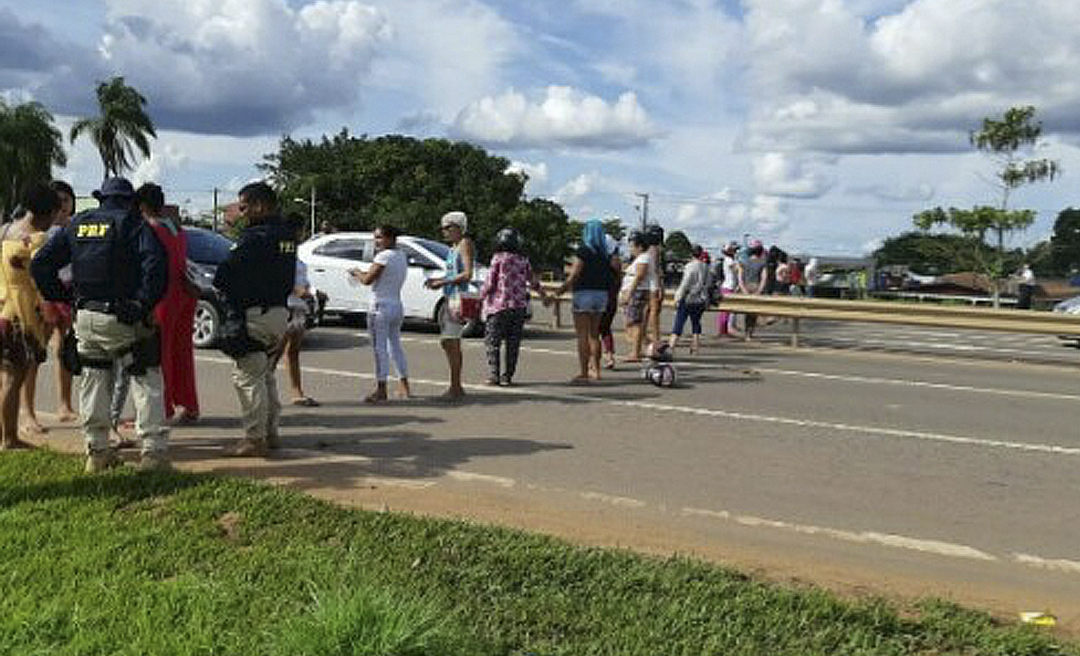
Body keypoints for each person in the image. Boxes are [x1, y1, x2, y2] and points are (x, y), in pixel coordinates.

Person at [31, 177, 169, 472]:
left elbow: (40, 263)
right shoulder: (133, 223)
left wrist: (64, 296)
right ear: (129, 200)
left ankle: (97, 451)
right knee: (146, 379)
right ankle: (153, 454)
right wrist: (142, 304)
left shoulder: (77, 224)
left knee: (94, 380)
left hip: (87, 317)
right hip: (125, 317)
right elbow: (156, 266)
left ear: (100, 198)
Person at [212, 182, 297, 456]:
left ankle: (255, 439)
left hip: (253, 315)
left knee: (248, 377)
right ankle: (271, 433)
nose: (242, 213)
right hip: (278, 314)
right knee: (265, 376)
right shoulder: (286, 235)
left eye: (245, 207)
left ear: (260, 205)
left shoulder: (254, 237)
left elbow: (224, 275)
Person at [1, 183, 58, 450]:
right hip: (22, 315)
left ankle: (6, 434)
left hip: (2, 307)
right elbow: (41, 281)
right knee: (15, 377)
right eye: (52, 216)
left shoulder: (4, 231)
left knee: (5, 376)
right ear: (42, 215)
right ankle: (9, 438)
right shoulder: (37, 239)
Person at [139, 183, 200, 423]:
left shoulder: (149, 229)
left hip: (163, 294)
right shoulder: (176, 228)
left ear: (142, 205)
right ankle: (189, 404)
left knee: (159, 351)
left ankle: (162, 407)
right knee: (182, 350)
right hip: (184, 291)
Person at [21, 180, 78, 435]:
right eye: (59, 201)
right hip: (42, 297)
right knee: (34, 355)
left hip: (66, 294)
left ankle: (64, 405)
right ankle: (28, 412)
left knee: (65, 351)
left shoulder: (75, 228)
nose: (63, 206)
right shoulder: (35, 232)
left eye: (67, 200)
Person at [349, 224, 411, 402]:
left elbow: (368, 280)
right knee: (395, 346)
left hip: (380, 307)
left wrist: (357, 272)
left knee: (379, 349)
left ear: (390, 239)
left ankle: (381, 389)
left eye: (379, 237)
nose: (376, 241)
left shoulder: (383, 256)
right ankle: (404, 385)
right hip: (396, 305)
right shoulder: (401, 255)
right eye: (375, 237)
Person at [553, 219, 618, 382]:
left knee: (582, 335)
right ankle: (596, 370)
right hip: (601, 295)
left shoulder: (583, 251)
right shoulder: (604, 254)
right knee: (594, 335)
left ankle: (584, 371)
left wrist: (560, 291)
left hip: (583, 294)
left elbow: (574, 274)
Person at [479, 227, 543, 386]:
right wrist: (543, 294)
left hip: (499, 307)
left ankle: (494, 375)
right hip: (519, 307)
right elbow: (533, 282)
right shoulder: (524, 260)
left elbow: (490, 283)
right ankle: (507, 376)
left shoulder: (498, 259)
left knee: (492, 342)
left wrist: (480, 297)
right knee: (513, 344)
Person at [424, 211, 475, 401]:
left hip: (457, 299)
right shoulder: (454, 247)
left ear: (459, 228)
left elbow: (467, 273)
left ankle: (456, 386)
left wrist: (442, 282)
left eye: (448, 227)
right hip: (450, 297)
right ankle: (455, 385)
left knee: (451, 341)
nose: (444, 231)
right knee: (447, 342)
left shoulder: (464, 244)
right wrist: (439, 280)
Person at [276, 258, 320, 407]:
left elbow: (304, 282)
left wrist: (314, 292)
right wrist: (299, 292)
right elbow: (282, 281)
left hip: (299, 307)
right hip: (286, 306)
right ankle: (265, 390)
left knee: (293, 351)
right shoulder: (281, 257)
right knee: (276, 351)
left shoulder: (299, 261)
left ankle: (297, 393)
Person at [668, 244, 710, 354]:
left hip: (688, 298)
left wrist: (677, 297)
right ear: (701, 253)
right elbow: (708, 283)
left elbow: (685, 284)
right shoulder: (705, 267)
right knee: (696, 323)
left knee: (679, 322)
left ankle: (671, 347)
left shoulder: (690, 266)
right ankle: (695, 347)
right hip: (700, 298)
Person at [619, 231, 651, 362]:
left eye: (632, 245)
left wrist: (629, 293)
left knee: (634, 323)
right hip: (635, 291)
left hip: (637, 292)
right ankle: (647, 346)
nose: (631, 248)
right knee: (631, 322)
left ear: (640, 246)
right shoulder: (639, 259)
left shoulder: (643, 258)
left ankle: (636, 352)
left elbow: (639, 276)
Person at [598, 233, 623, 369]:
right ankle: (609, 357)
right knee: (606, 329)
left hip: (597, 300)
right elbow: (619, 283)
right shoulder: (617, 264)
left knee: (593, 331)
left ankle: (592, 362)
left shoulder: (597, 263)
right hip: (611, 301)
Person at [738, 240, 768, 339]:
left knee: (747, 313)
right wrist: (759, 291)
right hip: (756, 287)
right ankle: (750, 333)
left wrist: (743, 290)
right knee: (754, 312)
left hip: (746, 287)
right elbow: (764, 278)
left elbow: (740, 278)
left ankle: (747, 333)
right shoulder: (763, 262)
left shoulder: (744, 262)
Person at [716, 242, 740, 337]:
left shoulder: (729, 260)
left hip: (729, 286)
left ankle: (724, 330)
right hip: (728, 287)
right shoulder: (729, 260)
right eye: (734, 250)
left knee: (727, 311)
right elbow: (737, 269)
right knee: (725, 311)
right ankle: (722, 331)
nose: (735, 252)